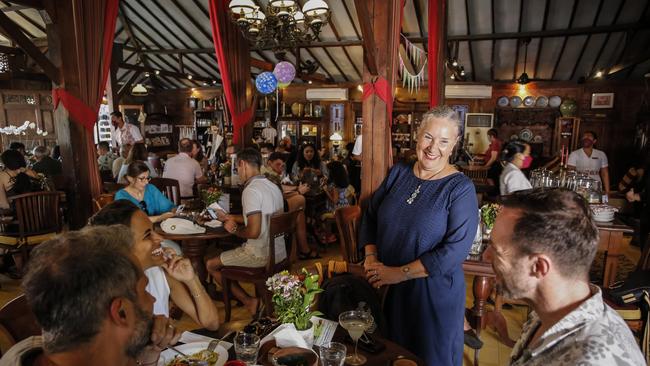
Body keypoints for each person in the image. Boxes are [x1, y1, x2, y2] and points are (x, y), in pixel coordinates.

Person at [359, 106, 478, 366]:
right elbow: (369, 215)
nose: (433, 147)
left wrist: (397, 273)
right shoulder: (399, 173)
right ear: (417, 135)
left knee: (429, 360)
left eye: (444, 141)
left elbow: (454, 252)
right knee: (391, 357)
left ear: (453, 145)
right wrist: (370, 256)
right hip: (389, 291)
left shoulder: (460, 189)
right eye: (428, 137)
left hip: (430, 296)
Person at [485, 188, 645, 365]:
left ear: (539, 267)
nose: (486, 257)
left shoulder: (590, 361)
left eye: (496, 251)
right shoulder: (549, 312)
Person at [0, 226, 181, 366]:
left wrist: (147, 356)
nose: (153, 299)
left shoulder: (44, 352)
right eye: (145, 290)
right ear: (121, 313)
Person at [89, 200, 220, 330]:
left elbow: (211, 323)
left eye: (153, 230)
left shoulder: (160, 271)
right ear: (121, 248)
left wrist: (192, 280)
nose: (160, 238)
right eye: (147, 235)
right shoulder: (104, 293)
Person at [206, 148, 285, 314]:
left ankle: (249, 301)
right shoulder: (272, 184)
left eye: (237, 168)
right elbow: (262, 217)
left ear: (242, 164)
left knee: (211, 264)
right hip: (278, 251)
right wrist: (232, 217)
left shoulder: (251, 190)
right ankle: (260, 302)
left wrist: (234, 229)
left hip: (260, 255)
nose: (238, 172)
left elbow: (254, 232)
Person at [263, 152, 319, 260]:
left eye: (282, 165)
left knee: (299, 212)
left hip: (275, 202)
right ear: (269, 163)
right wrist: (298, 191)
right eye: (277, 165)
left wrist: (296, 190)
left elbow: (280, 189)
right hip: (274, 207)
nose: (280, 168)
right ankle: (304, 247)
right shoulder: (268, 174)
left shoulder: (269, 173)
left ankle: (303, 249)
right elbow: (279, 192)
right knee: (300, 200)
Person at [567, 131, 610, 197]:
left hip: (596, 188)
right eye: (584, 136)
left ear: (594, 141)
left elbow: (605, 173)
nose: (586, 138)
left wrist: (607, 191)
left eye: (589, 136)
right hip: (579, 188)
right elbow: (570, 173)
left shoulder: (601, 154)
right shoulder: (574, 154)